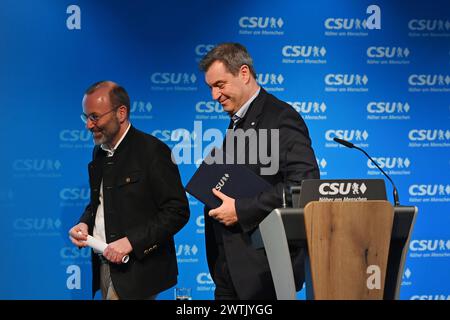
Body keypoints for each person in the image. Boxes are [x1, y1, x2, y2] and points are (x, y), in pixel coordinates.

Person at [198, 43, 320, 299]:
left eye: (220, 85)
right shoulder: (236, 122)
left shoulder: (281, 117)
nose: (214, 95)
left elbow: (304, 186)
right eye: (210, 87)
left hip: (265, 271)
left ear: (244, 73)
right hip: (229, 269)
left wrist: (241, 210)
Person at [68, 81, 190, 300]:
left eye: (94, 117)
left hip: (137, 272)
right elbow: (99, 202)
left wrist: (131, 242)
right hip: (104, 267)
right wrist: (84, 222)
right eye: (86, 117)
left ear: (121, 113)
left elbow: (177, 211)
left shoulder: (153, 151)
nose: (88, 125)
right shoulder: (99, 153)